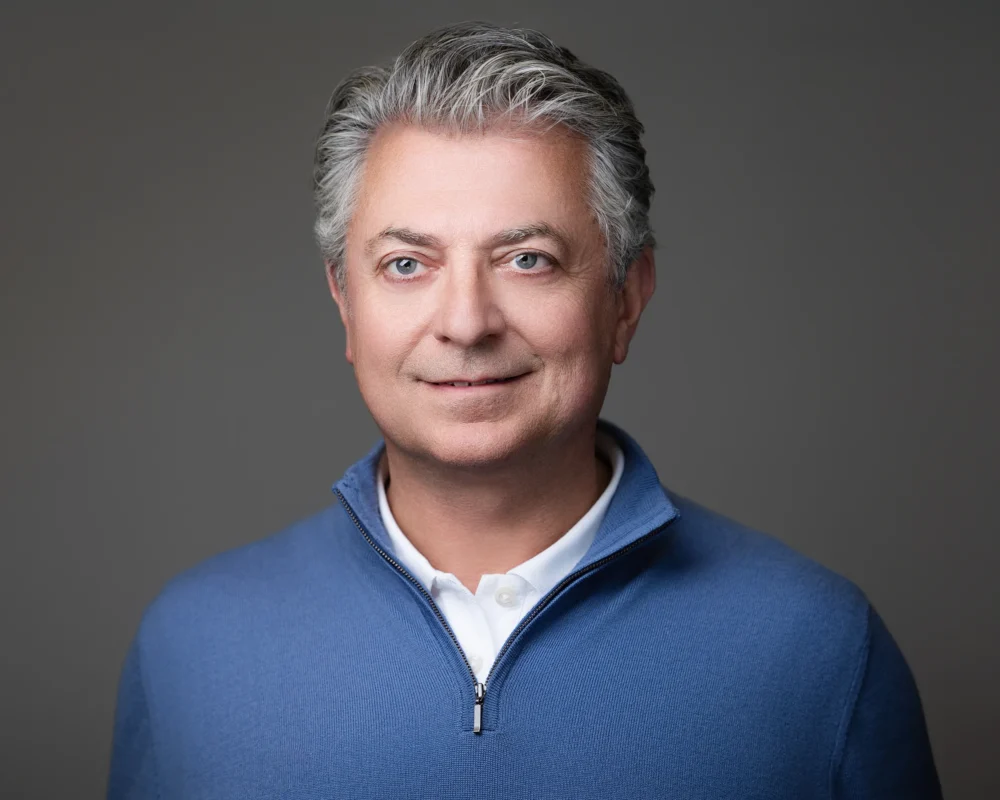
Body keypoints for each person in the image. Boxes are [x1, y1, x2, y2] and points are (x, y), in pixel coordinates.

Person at [106, 20, 942, 799]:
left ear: (627, 298)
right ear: (344, 305)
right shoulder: (189, 646)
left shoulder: (820, 649)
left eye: (528, 259)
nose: (467, 322)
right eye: (406, 264)